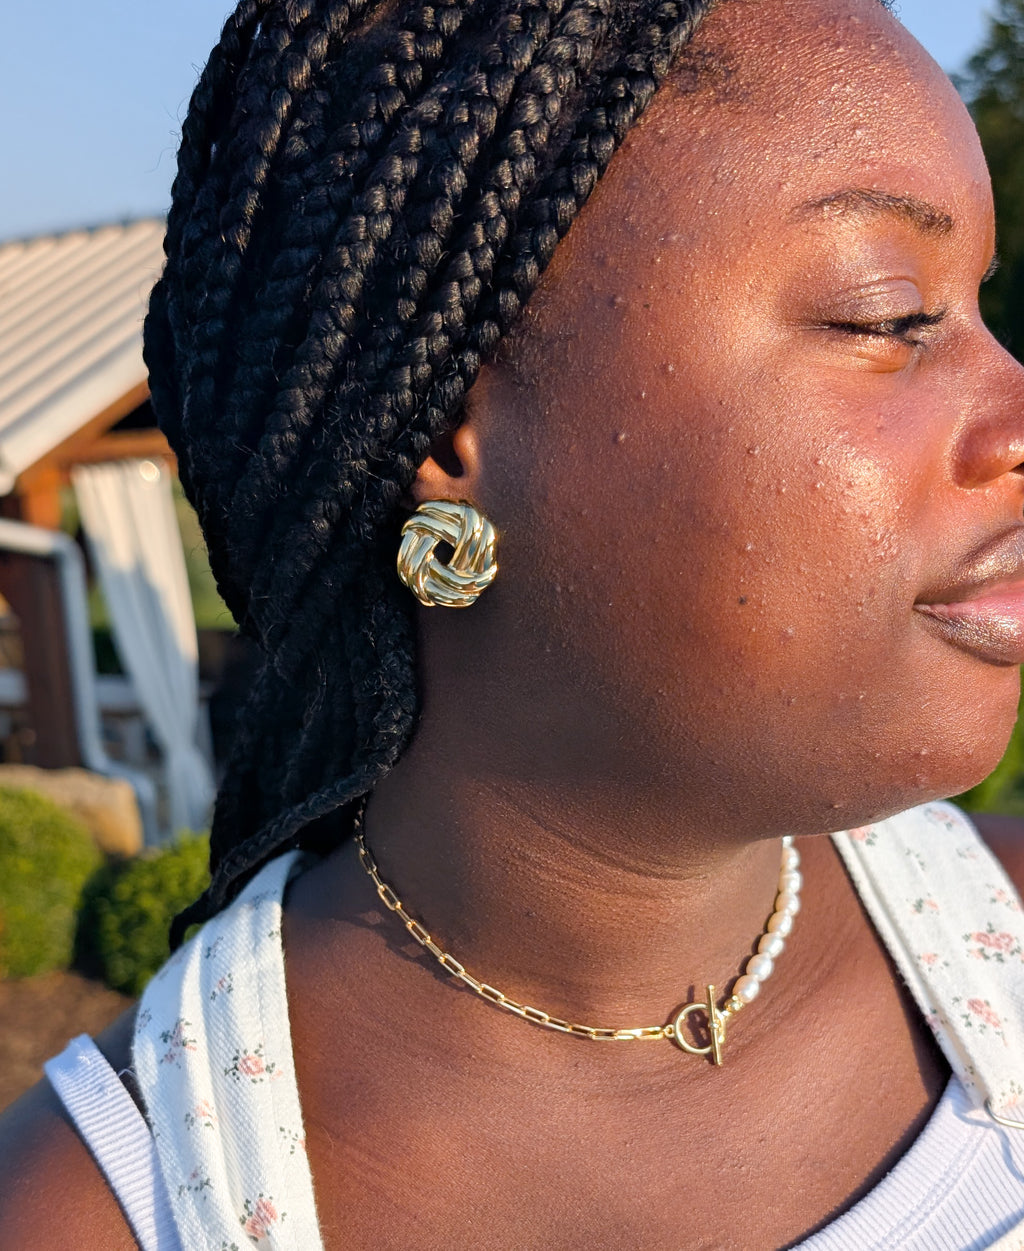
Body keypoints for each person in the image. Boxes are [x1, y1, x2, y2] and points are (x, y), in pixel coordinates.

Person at [4, 0, 1024, 1245]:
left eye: (976, 309)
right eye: (886, 314)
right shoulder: (117, 1211)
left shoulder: (1004, 936)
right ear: (445, 430)